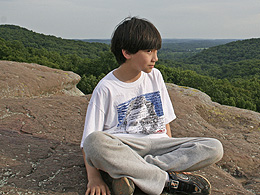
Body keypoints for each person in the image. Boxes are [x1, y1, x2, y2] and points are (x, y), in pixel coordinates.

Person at [80, 16, 223, 195]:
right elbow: (88, 143)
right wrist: (94, 179)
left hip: (158, 147)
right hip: (126, 146)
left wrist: (174, 155)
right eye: (149, 51)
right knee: (95, 142)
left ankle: (132, 174)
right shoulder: (106, 88)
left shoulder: (155, 76)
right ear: (127, 53)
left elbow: (164, 122)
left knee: (214, 147)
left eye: (156, 51)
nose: (155, 58)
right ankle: (166, 181)